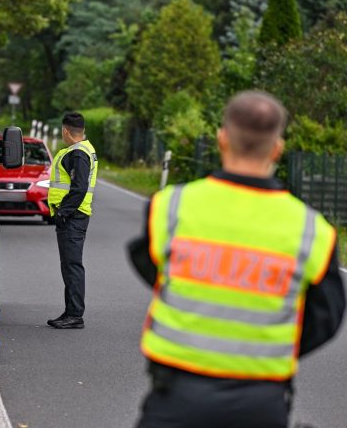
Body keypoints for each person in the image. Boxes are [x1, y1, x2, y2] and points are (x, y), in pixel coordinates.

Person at [128, 91, 345, 428]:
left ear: (222, 139)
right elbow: (326, 316)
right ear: (277, 148)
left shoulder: (171, 206)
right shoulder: (312, 230)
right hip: (261, 403)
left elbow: (149, 264)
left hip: (177, 396)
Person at [46, 112, 99, 329]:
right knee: (69, 265)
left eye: (62, 131)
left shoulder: (78, 153)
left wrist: (63, 212)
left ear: (66, 131)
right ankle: (71, 312)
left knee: (72, 266)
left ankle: (75, 314)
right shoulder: (83, 149)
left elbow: (79, 189)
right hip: (75, 215)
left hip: (73, 217)